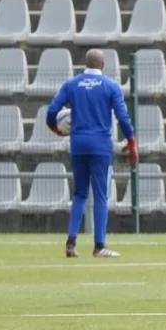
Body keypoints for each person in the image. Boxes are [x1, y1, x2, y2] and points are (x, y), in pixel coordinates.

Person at [47, 49, 138, 259]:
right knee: (100, 195)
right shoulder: (110, 86)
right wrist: (131, 140)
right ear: (103, 66)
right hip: (100, 145)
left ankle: (71, 242)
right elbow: (123, 117)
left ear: (84, 64)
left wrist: (55, 128)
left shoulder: (72, 84)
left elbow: (52, 110)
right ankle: (99, 246)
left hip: (78, 143)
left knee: (79, 194)